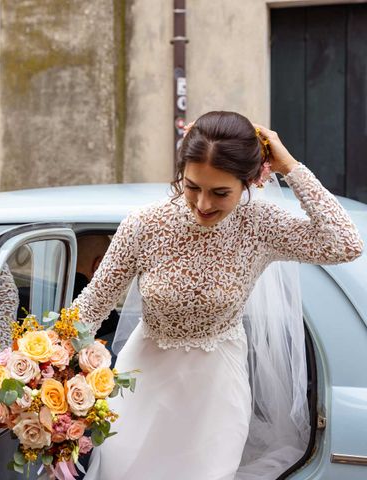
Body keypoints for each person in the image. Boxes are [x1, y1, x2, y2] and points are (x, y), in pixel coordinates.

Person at [75, 111, 364, 479]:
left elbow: (345, 244)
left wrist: (290, 166)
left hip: (215, 394)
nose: (203, 204)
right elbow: (91, 306)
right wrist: (42, 363)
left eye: (220, 192)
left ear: (249, 182)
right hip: (143, 384)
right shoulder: (144, 225)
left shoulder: (261, 226)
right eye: (193, 186)